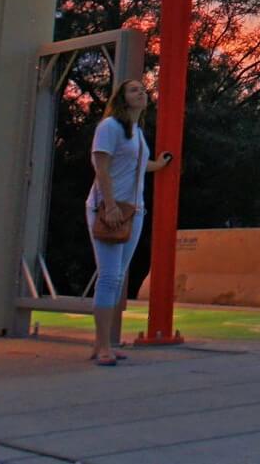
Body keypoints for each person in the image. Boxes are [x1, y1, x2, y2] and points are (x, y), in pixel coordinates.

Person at [87, 78, 172, 366]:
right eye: (134, 89)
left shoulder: (135, 132)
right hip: (109, 209)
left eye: (143, 89)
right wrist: (108, 205)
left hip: (133, 211)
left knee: (118, 277)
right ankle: (102, 347)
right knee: (109, 276)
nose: (142, 92)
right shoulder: (109, 127)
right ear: (122, 98)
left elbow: (136, 164)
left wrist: (158, 165)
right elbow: (101, 167)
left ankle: (105, 343)